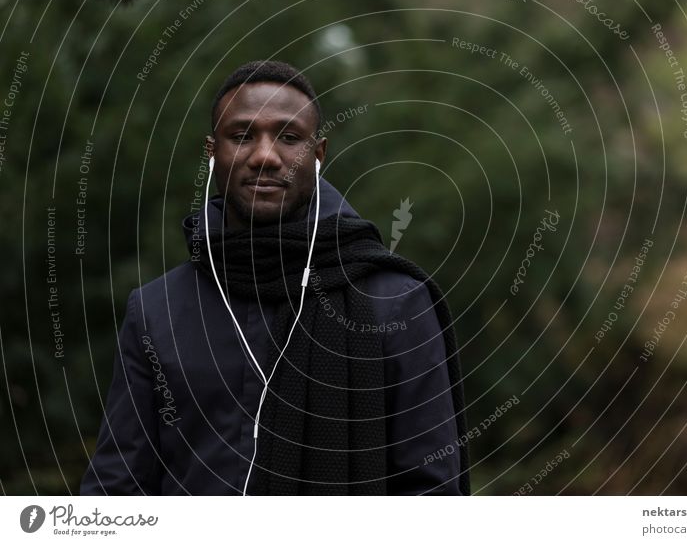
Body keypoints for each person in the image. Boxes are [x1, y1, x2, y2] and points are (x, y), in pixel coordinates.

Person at [80, 60, 471, 495]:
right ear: (212, 152)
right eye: (242, 136)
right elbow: (117, 485)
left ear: (318, 154)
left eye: (289, 137)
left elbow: (431, 492)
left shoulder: (395, 302)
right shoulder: (157, 310)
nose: (265, 156)